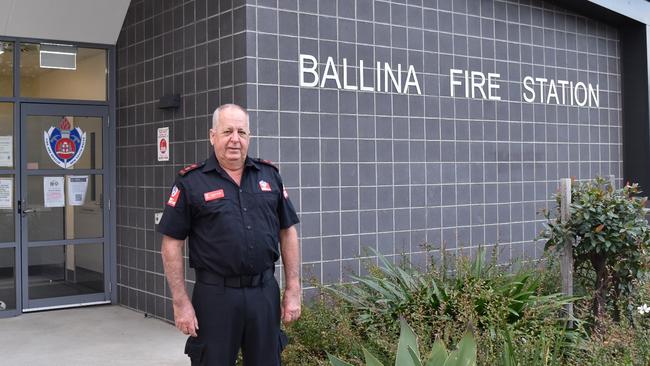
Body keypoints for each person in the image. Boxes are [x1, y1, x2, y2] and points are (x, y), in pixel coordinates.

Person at [158, 103, 301, 365]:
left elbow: (287, 231)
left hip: (264, 294)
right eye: (227, 132)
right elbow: (171, 243)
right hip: (215, 297)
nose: (235, 139)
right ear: (213, 136)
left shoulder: (269, 176)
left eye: (242, 132)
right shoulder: (191, 182)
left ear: (249, 137)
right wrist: (180, 302)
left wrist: (293, 288)